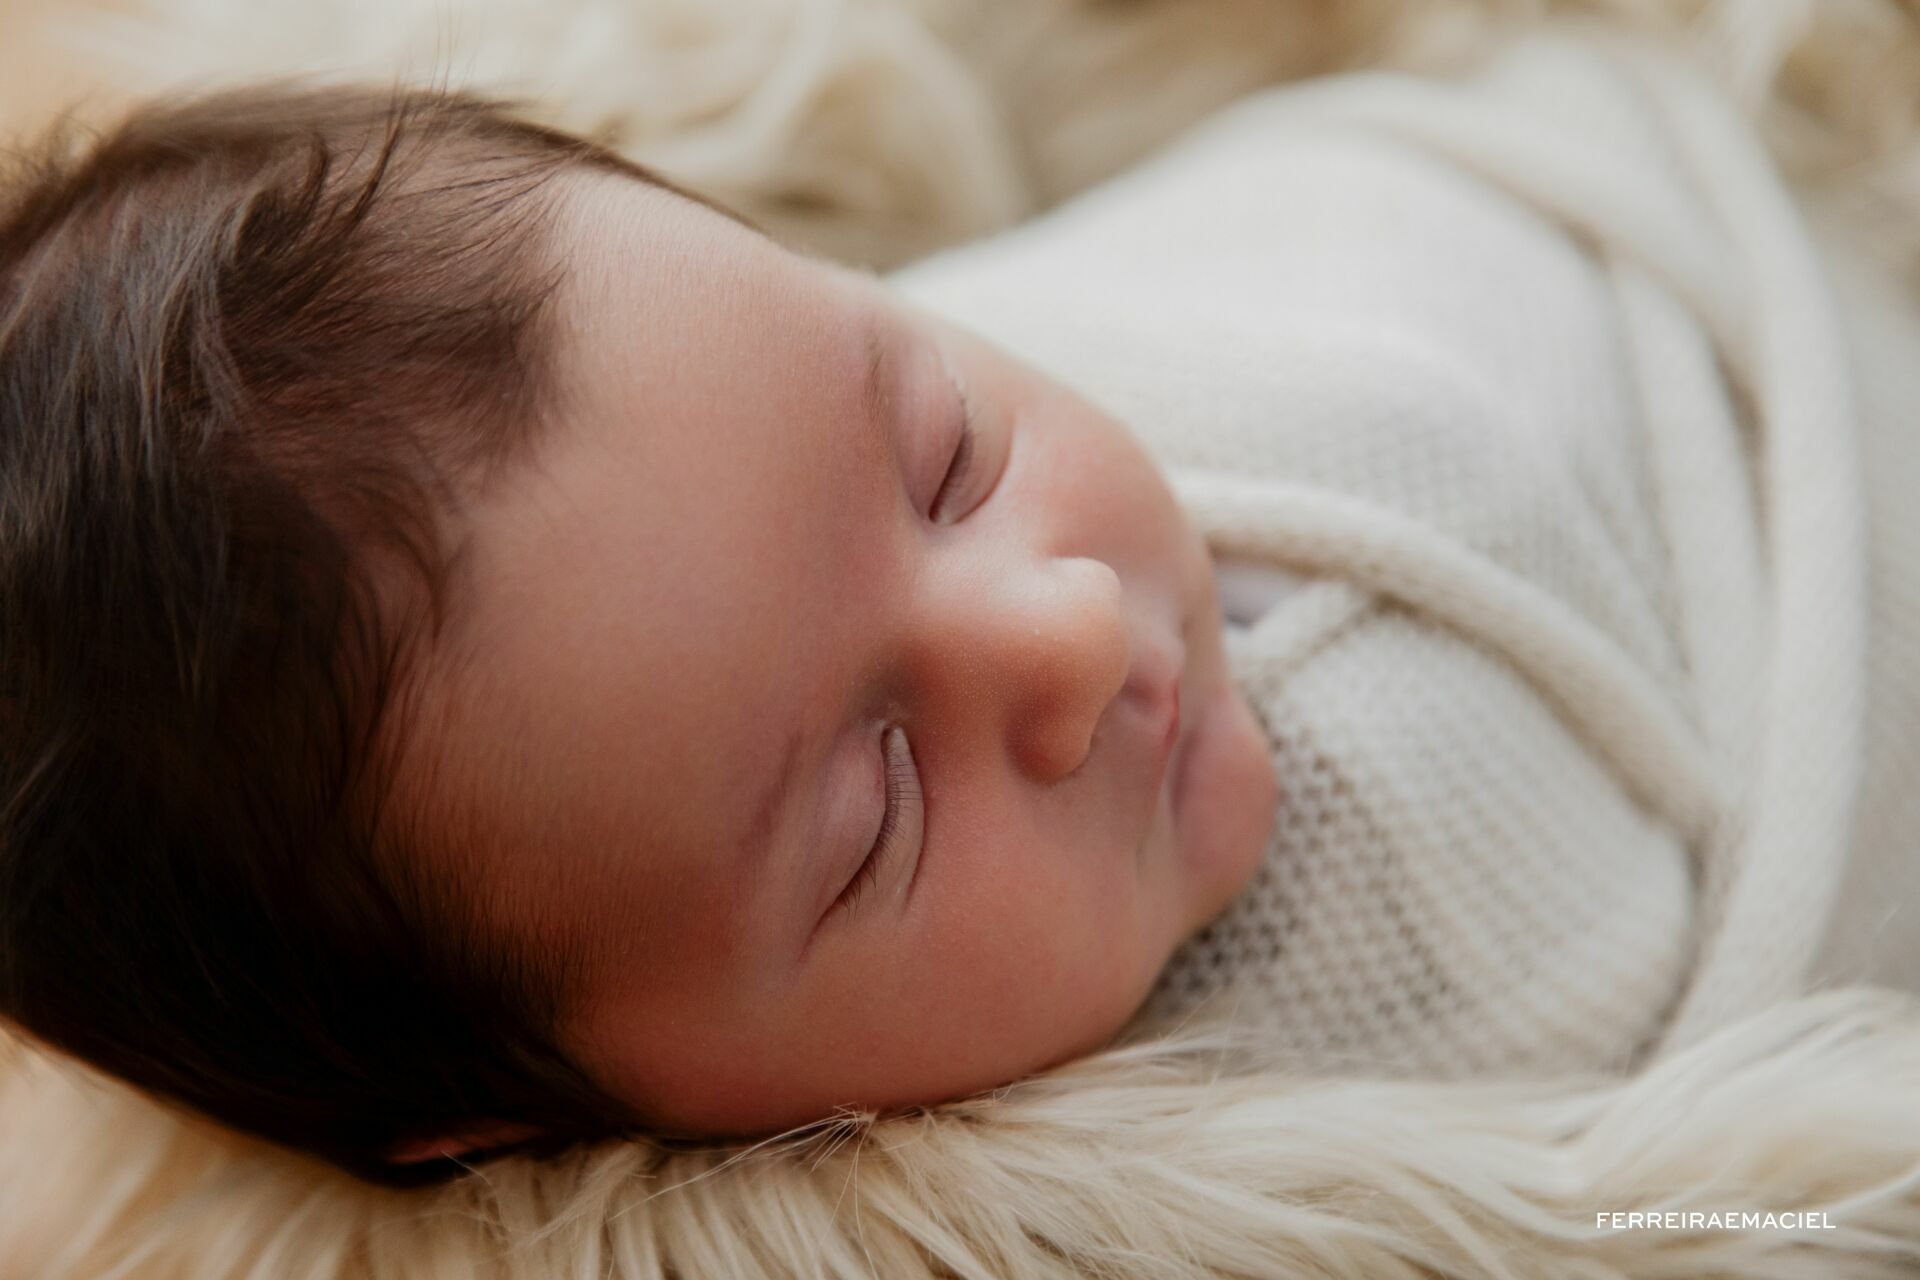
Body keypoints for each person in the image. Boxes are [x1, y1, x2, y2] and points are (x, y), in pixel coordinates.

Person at [4, 17, 1915, 1187]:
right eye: (876, 811)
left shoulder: (728, 440)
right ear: (512, 1122)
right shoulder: (1406, 1043)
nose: (1069, 630)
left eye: (948, 453)